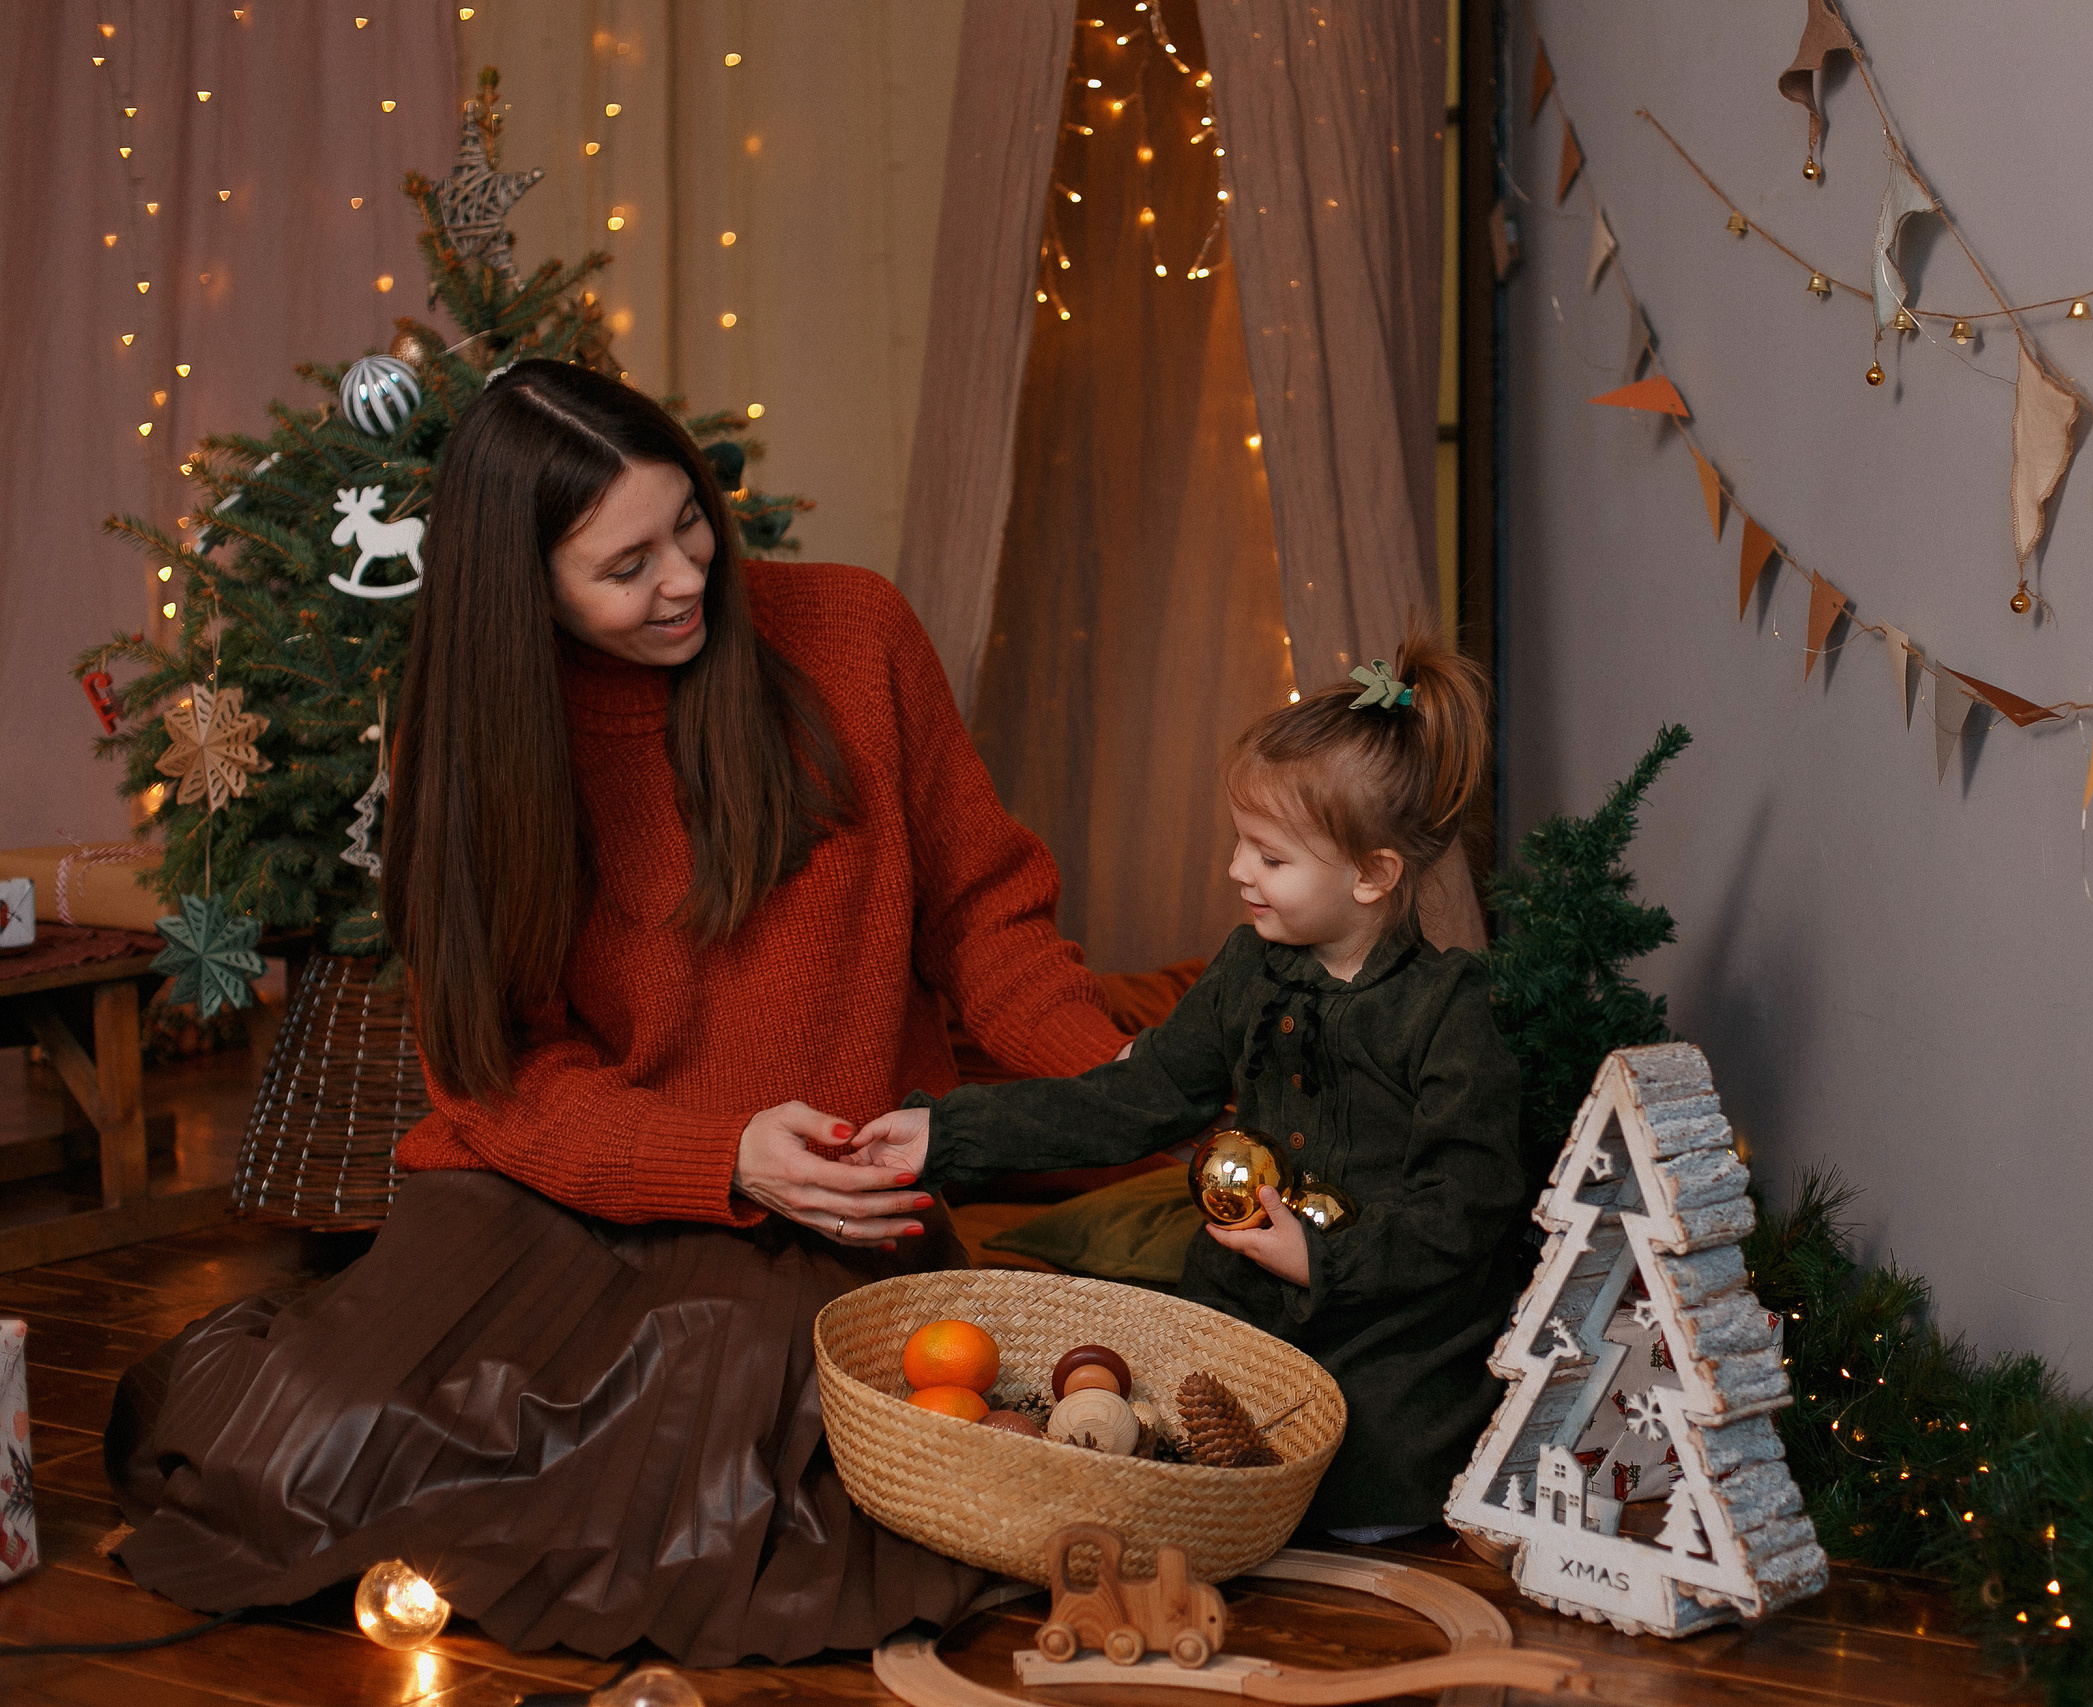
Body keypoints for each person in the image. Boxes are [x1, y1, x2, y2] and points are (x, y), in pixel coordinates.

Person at [104, 360, 1131, 1666]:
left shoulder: (854, 635)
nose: (687, 576)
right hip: (542, 1190)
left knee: (725, 1467)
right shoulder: (477, 740)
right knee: (290, 1453)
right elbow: (497, 1081)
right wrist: (715, 1156)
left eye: (690, 522)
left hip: (809, 1210)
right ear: (523, 584)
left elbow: (989, 919)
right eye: (625, 562)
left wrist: (1133, 1078)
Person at [851, 628, 1523, 1539]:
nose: (1238, 871)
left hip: (1390, 1320)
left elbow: (1466, 1210)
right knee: (1161, 1425)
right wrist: (949, 1135)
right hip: (1241, 1295)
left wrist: (1320, 1259)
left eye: (1271, 857)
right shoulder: (1252, 965)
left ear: (1373, 875)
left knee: (1353, 1478)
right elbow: (1132, 1098)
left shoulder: (1449, 1011)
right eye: (1240, 843)